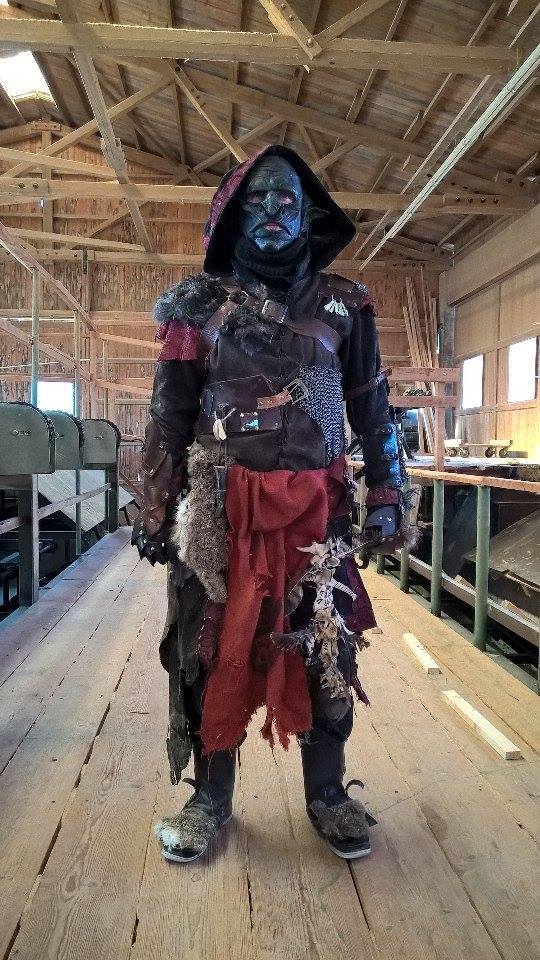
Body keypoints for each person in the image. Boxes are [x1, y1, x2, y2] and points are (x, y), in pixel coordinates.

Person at [132, 145, 410, 864]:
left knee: (325, 649)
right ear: (232, 215)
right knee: (206, 652)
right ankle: (208, 799)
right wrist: (155, 508)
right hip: (219, 516)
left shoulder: (346, 305)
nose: (273, 215)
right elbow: (168, 413)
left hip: (319, 517)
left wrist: (388, 491)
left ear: (308, 215)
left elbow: (372, 407)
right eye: (256, 202)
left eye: (287, 201)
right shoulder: (196, 307)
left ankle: (328, 794)